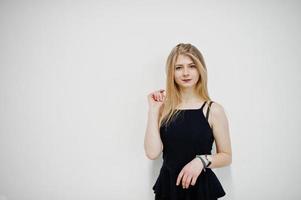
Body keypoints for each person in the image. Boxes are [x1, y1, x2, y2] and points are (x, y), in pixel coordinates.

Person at [144, 43, 232, 200]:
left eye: (192, 66)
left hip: (201, 190)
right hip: (168, 189)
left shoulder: (213, 110)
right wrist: (153, 110)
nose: (185, 73)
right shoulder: (164, 108)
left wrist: (201, 161)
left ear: (200, 69)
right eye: (178, 68)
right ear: (171, 72)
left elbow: (226, 156)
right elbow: (152, 153)